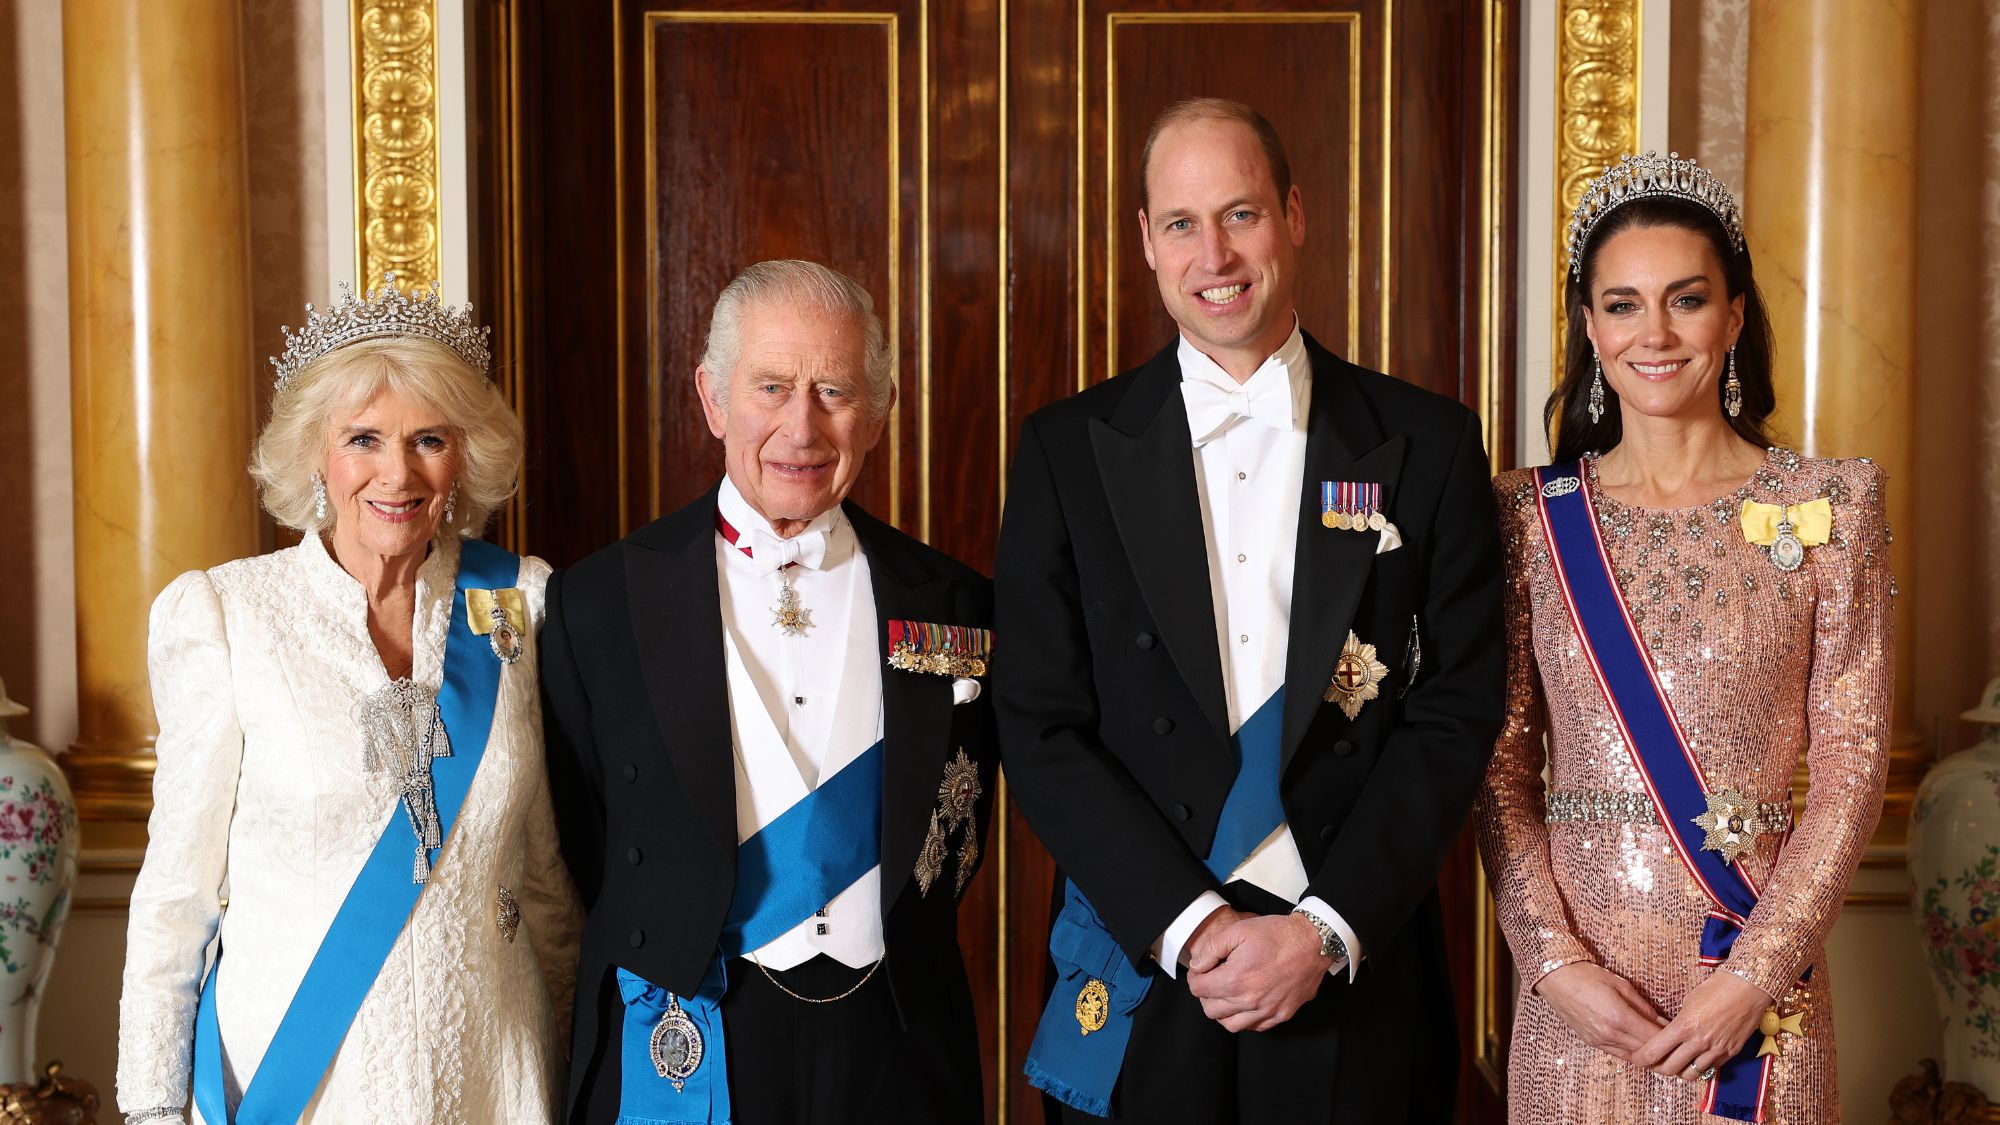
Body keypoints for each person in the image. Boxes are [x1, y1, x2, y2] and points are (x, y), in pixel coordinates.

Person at [994, 97, 1505, 1122]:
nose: (1213, 253)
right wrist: (1186, 925)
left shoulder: (1427, 442)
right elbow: (1038, 721)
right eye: (1180, 223)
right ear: (1144, 241)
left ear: (1295, 215)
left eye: (1241, 214)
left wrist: (1322, 930)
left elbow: (1454, 713)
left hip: (1353, 964)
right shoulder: (1063, 450)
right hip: (1146, 965)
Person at [1476, 151, 1891, 1123]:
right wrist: (1550, 961)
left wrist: (1752, 976)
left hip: (1753, 991)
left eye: (1685, 300)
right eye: (1620, 305)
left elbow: (1850, 769)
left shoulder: (1829, 505)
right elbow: (1498, 771)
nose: (1652, 334)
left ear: (1734, 313)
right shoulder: (1527, 519)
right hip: (1581, 1004)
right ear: (1587, 326)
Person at [542, 259, 996, 1125]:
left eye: (834, 390)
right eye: (773, 387)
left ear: (881, 409)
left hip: (896, 1047)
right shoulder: (599, 602)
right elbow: (586, 838)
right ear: (712, 398)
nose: (802, 426)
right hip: (687, 1034)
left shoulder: (957, 605)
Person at [116, 279, 582, 1124]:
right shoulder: (227, 617)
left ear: (464, 454)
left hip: (496, 1077)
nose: (395, 473)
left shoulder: (520, 602)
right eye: (362, 438)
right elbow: (174, 900)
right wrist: (152, 1110)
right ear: (315, 455)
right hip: (302, 1087)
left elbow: (547, 875)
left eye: (428, 440)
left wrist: (586, 1070)